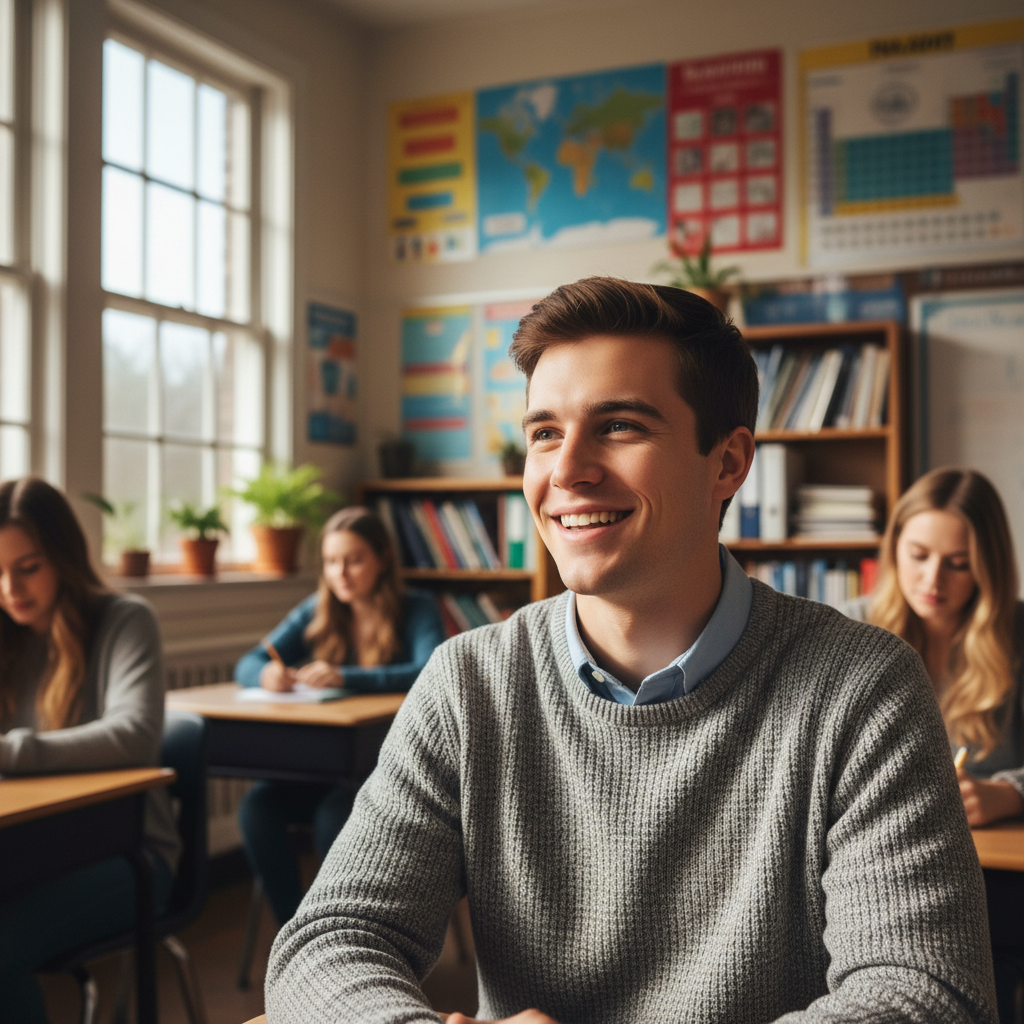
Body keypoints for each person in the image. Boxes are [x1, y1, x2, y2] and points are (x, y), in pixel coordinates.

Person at [265, 279, 997, 1023]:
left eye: (618, 426)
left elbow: (924, 997)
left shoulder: (864, 688)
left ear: (728, 463)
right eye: (544, 433)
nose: (567, 470)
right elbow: (331, 938)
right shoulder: (469, 683)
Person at [0, 477, 178, 1024]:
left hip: (129, 856)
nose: (10, 589)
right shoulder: (5, 632)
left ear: (64, 557)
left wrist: (10, 753)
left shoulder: (124, 618)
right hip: (29, 848)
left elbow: (134, 734)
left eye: (27, 567)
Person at [235, 505, 446, 926]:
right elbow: (248, 662)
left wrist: (344, 676)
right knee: (258, 807)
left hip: (386, 765)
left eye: (354, 560)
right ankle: (295, 930)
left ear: (383, 558)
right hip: (324, 761)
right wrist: (267, 672)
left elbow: (429, 669)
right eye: (331, 562)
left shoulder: (417, 607)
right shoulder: (318, 608)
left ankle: (342, 931)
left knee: (335, 813)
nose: (341, 574)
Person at [850, 467, 1024, 828]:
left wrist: (1009, 794)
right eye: (918, 555)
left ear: (986, 567)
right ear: (894, 546)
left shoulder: (1017, 632)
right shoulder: (847, 629)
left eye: (958, 564)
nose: (933, 580)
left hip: (995, 854)